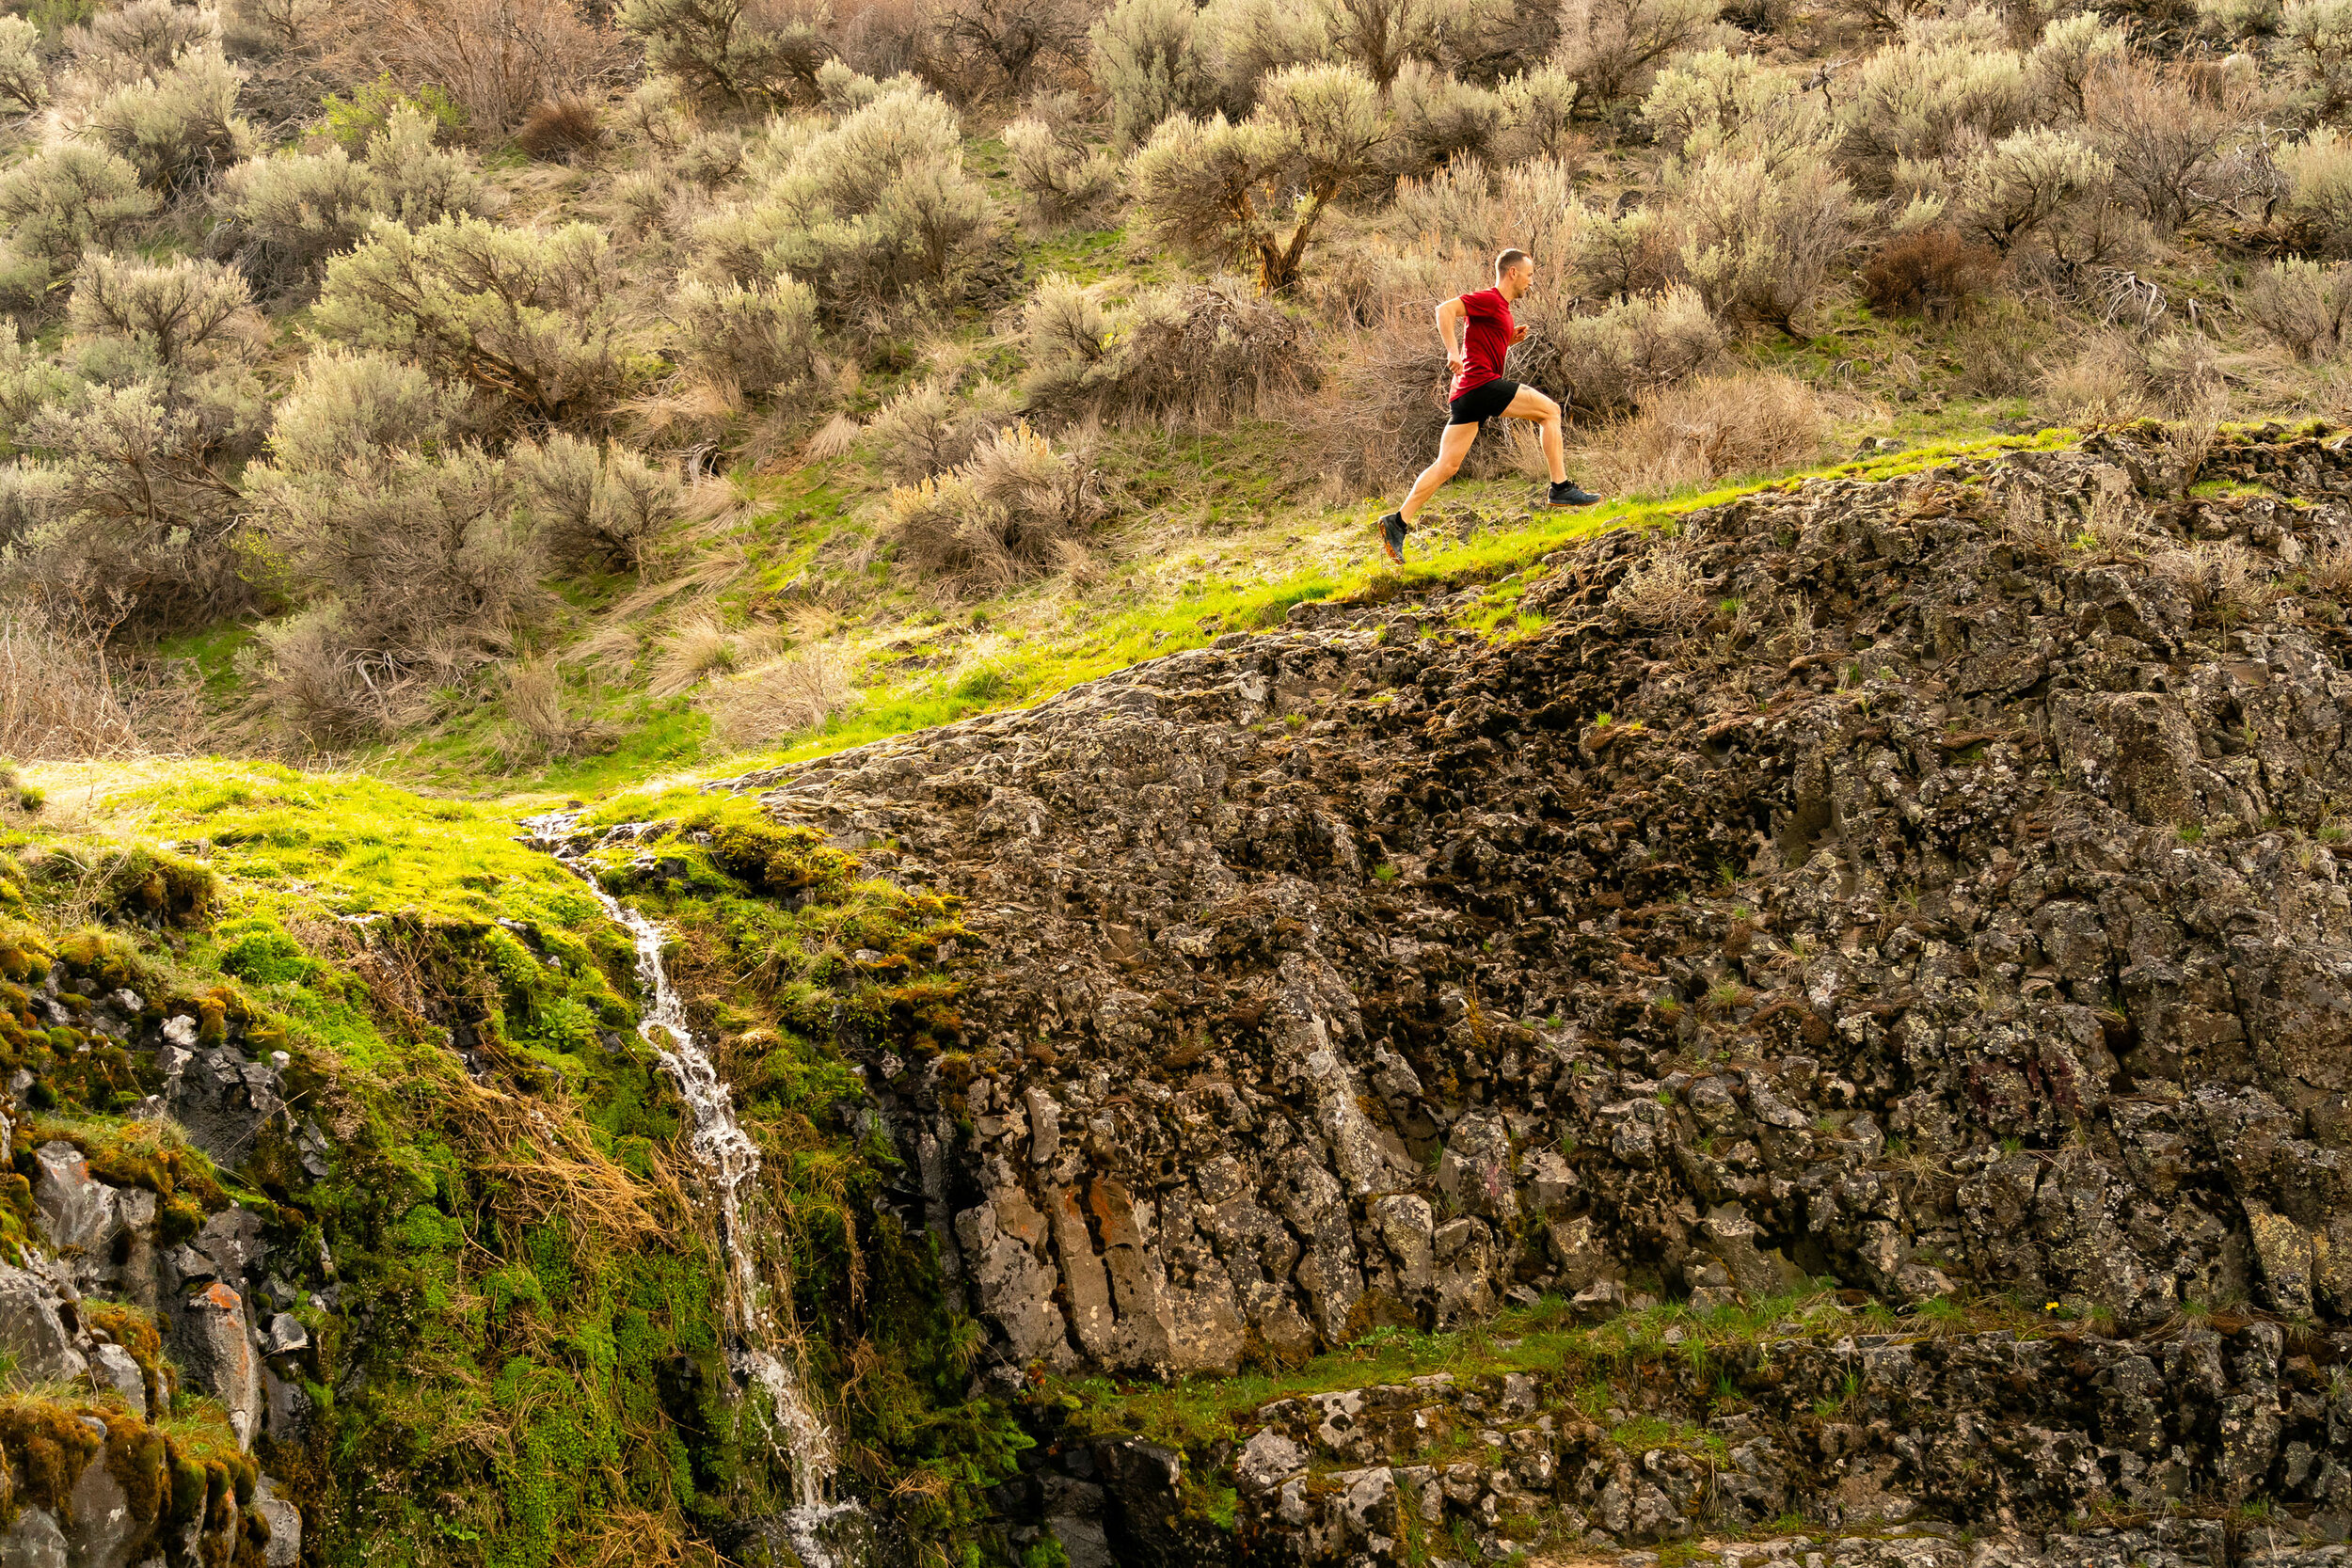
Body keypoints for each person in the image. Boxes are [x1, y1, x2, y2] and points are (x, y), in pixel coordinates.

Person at [1377, 248, 1599, 564]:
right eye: (1529, 275)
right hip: (1480, 384)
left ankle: (1397, 523)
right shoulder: (1490, 298)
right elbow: (1444, 310)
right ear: (1512, 273)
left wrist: (1508, 341)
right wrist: (1451, 352)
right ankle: (1560, 487)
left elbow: (1480, 341)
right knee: (1551, 411)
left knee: (1447, 466)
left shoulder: (1501, 311)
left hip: (1466, 394)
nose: (1531, 282)